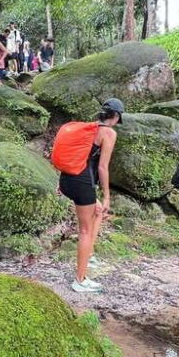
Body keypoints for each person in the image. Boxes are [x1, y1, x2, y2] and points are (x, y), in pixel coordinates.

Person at [56, 98, 124, 293]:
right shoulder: (108, 133)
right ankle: (80, 280)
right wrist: (107, 196)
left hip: (67, 179)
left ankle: (88, 256)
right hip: (82, 181)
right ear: (116, 116)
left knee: (98, 213)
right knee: (85, 230)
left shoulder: (88, 128)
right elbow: (103, 167)